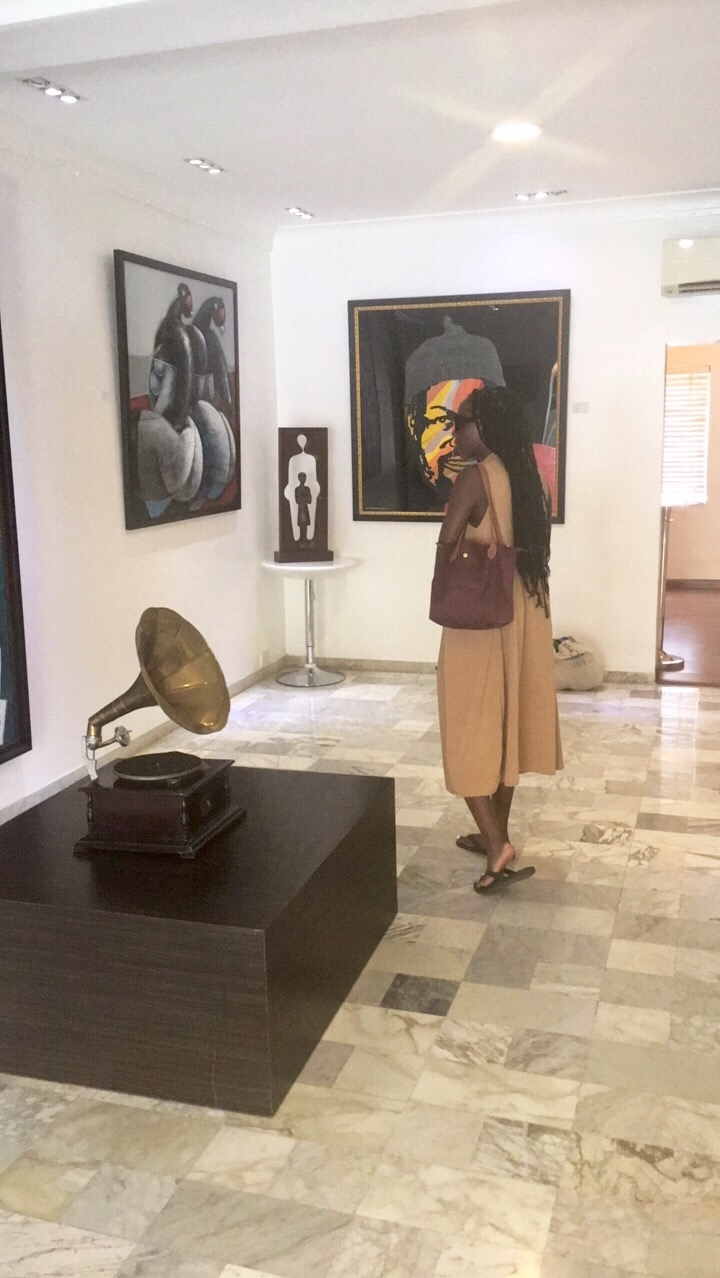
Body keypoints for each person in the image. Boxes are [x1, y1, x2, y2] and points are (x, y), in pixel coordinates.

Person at [435, 385, 563, 895]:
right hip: (524, 609)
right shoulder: (528, 477)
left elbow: (448, 541)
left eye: (461, 422)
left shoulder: (475, 477)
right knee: (507, 722)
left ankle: (496, 844)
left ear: (484, 427)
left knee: (466, 724)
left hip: (480, 619)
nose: (455, 430)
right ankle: (498, 832)